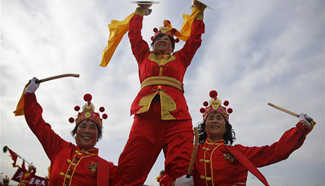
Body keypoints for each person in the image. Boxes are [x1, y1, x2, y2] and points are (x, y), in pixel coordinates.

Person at [116, 1, 207, 185]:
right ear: (152, 44)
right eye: (158, 40)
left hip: (177, 118)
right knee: (130, 167)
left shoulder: (181, 58)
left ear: (173, 47)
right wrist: (140, 12)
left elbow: (194, 40)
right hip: (145, 117)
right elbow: (134, 36)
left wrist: (198, 12)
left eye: (167, 40)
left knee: (182, 172)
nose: (163, 41)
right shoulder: (143, 56)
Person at [186, 90, 315, 186]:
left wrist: (300, 129)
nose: (215, 121)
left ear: (226, 127)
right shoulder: (193, 152)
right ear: (204, 125)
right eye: (211, 118)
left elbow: (274, 152)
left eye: (219, 118)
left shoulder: (237, 152)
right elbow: (173, 172)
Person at [23, 78, 117, 186]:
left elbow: (132, 173)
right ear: (76, 132)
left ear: (98, 136)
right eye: (83, 126)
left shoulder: (107, 168)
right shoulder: (60, 148)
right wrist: (29, 95)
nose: (87, 131)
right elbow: (38, 124)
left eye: (92, 127)